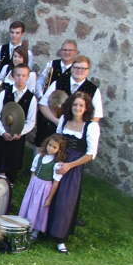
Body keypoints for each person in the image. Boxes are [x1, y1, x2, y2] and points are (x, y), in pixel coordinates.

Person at [46, 92, 100, 253]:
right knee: (48, 195)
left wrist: (69, 165)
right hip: (57, 161)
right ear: (70, 105)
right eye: (75, 104)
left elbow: (90, 154)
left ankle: (59, 238)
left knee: (65, 200)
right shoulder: (63, 120)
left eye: (81, 105)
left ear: (86, 108)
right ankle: (41, 230)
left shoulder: (91, 126)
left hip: (73, 166)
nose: (77, 108)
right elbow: (56, 141)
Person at [0, 64, 37, 184]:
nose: (20, 78)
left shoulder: (31, 99)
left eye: (23, 75)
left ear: (28, 77)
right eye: (18, 75)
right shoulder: (4, 93)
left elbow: (30, 121)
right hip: (0, 135)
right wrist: (3, 132)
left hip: (17, 138)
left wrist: (19, 133)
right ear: (13, 75)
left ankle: (8, 187)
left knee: (11, 163)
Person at [39, 56, 103, 139]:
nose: (79, 71)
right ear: (71, 68)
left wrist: (78, 126)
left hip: (78, 135)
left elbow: (96, 116)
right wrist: (56, 121)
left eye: (83, 68)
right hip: (55, 130)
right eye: (76, 67)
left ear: (88, 71)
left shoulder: (94, 90)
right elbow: (43, 105)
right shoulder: (58, 83)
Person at [19, 134, 67, 242]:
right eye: (49, 145)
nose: (50, 148)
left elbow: (56, 182)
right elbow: (33, 172)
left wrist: (49, 198)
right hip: (34, 185)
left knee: (39, 209)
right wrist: (31, 185)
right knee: (29, 205)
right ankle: (24, 226)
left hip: (45, 188)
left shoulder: (57, 164)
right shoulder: (39, 157)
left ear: (60, 150)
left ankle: (35, 232)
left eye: (54, 147)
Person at [0, 21, 34, 94]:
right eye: (12, 32)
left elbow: (27, 74)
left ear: (23, 34)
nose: (14, 35)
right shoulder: (0, 49)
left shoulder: (28, 54)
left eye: (17, 33)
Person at [0, 45, 36, 114]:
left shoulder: (30, 75)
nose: (16, 59)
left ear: (25, 58)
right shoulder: (6, 69)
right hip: (0, 107)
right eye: (15, 56)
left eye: (20, 57)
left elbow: (29, 96)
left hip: (17, 111)